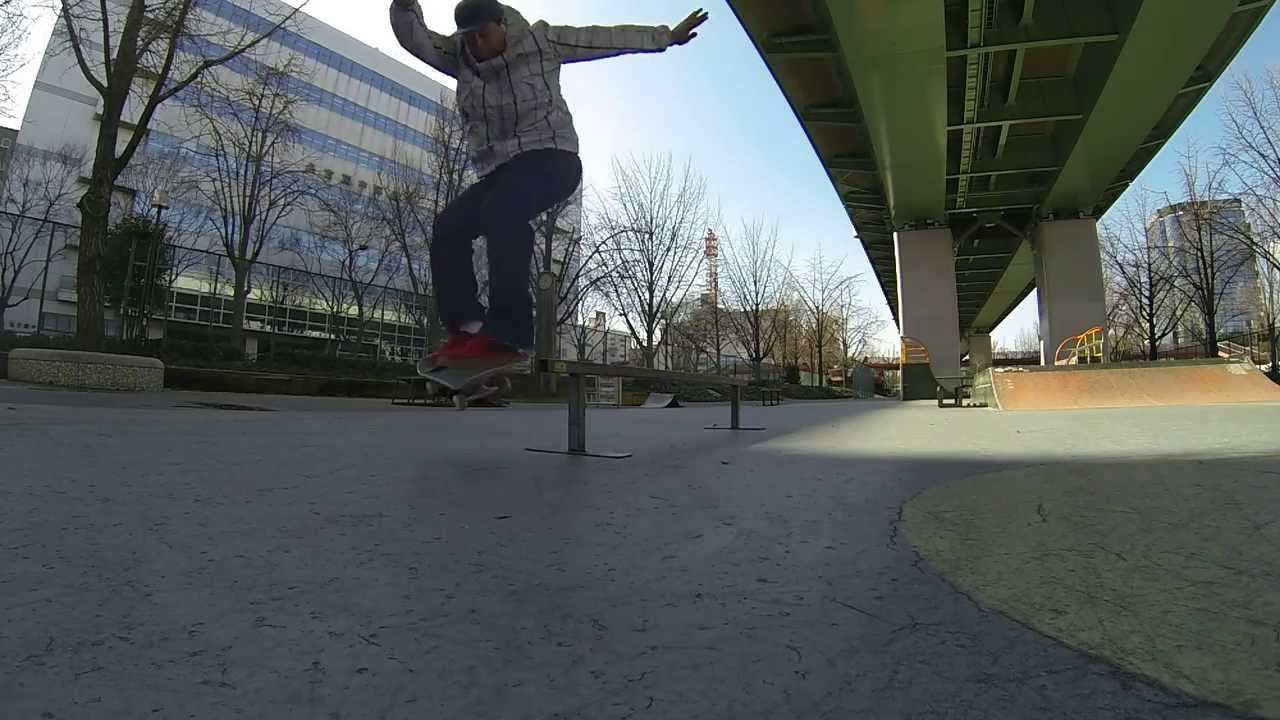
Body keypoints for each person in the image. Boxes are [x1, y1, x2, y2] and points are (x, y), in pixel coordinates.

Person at [390, 0, 708, 369]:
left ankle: (510, 333)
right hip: (501, 174)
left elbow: (601, 39)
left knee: (502, 209)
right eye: (470, 38)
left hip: (552, 159)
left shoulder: (540, 41)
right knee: (449, 226)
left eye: (484, 34)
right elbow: (416, 39)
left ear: (502, 25)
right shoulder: (459, 56)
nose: (478, 44)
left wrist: (664, 36)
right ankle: (470, 328)